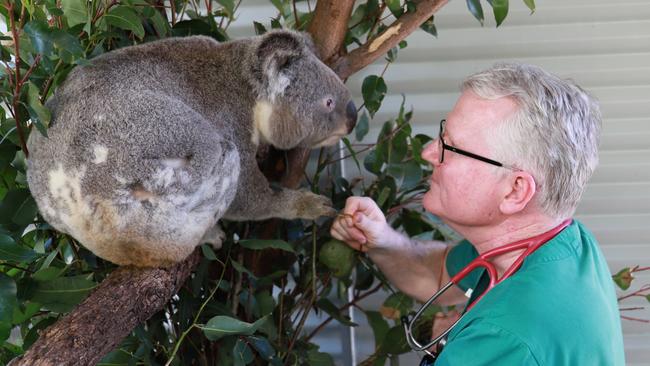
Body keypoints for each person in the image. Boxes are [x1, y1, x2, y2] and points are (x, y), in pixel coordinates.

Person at [330, 63, 625, 365]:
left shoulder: (504, 340)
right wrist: (383, 241)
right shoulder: (562, 242)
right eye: (442, 136)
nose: (429, 152)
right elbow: (440, 273)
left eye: (452, 147)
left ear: (515, 190)